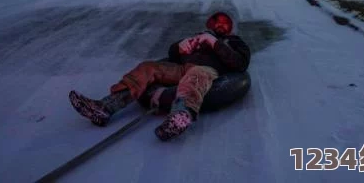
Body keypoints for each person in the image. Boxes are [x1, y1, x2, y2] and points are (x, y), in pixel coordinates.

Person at [69, 12, 251, 141]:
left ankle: (181, 115)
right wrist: (180, 45)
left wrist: (215, 44)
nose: (219, 24)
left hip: (208, 71)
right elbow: (172, 55)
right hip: (181, 68)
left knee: (196, 76)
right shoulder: (197, 38)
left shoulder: (234, 42)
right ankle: (105, 107)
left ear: (230, 28)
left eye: (224, 22)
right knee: (148, 67)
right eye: (215, 21)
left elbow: (240, 63)